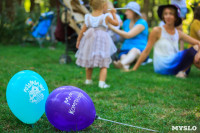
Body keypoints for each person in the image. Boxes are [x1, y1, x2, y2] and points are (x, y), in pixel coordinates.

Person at [129, 4, 200, 78]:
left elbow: (198, 43)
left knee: (196, 49)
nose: (168, 16)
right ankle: (182, 72)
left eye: (171, 14)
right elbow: (146, 51)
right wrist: (134, 68)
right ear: (163, 17)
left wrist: (198, 54)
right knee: (194, 49)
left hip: (176, 63)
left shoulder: (178, 33)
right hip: (162, 65)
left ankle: (182, 72)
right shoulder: (157, 30)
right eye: (165, 14)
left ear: (176, 17)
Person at [75, 0, 119, 88]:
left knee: (89, 61)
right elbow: (116, 23)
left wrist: (78, 40)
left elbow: (82, 30)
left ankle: (88, 80)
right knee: (103, 64)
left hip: (89, 41)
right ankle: (101, 83)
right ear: (105, 6)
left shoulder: (87, 17)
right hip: (102, 42)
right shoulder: (106, 17)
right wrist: (113, 13)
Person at [109, 2, 149, 71]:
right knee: (123, 56)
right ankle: (125, 68)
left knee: (134, 51)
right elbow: (123, 35)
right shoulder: (126, 22)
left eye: (128, 11)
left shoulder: (142, 23)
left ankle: (121, 63)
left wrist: (111, 27)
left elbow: (128, 35)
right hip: (125, 49)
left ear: (134, 12)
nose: (125, 13)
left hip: (139, 51)